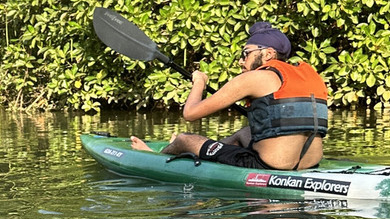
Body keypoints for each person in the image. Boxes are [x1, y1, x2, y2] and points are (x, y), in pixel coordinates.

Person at [130, 22, 329, 170]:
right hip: (308, 164)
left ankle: (156, 158)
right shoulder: (308, 76)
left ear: (267, 54)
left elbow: (190, 113)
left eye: (246, 53)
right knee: (244, 134)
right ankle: (197, 154)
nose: (241, 61)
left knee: (185, 139)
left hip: (269, 168)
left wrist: (199, 82)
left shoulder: (254, 78)